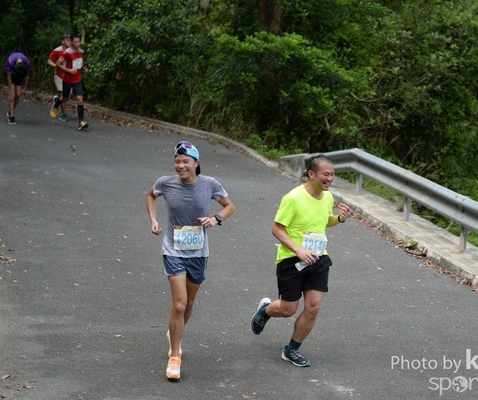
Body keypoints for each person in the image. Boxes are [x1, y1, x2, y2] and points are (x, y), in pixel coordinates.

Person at [250, 154, 351, 367]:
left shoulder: (328, 197)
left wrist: (340, 218)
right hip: (291, 259)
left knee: (313, 307)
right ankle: (266, 310)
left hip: (319, 257)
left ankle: (292, 349)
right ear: (312, 174)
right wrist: (298, 250)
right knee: (288, 309)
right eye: (326, 174)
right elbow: (277, 229)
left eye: (332, 175)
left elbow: (324, 221)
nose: (330, 178)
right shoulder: (293, 198)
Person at [146, 141, 236, 380]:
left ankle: (174, 332)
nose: (181, 166)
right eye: (177, 162)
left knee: (189, 302)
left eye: (186, 161)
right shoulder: (165, 183)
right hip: (173, 250)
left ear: (196, 163)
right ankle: (175, 355)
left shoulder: (209, 184)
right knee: (179, 304)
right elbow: (151, 195)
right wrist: (153, 220)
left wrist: (216, 219)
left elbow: (229, 206)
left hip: (198, 252)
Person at [54, 34, 89, 130]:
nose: (78, 44)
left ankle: (81, 122)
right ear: (72, 43)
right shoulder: (66, 53)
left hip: (77, 80)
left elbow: (79, 62)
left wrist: (83, 68)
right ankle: (57, 103)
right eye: (76, 42)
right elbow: (57, 64)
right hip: (67, 80)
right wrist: (69, 70)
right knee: (65, 98)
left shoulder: (81, 51)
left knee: (80, 99)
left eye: (79, 42)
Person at [47, 33, 72, 121]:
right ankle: (64, 115)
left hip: (69, 76)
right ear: (62, 42)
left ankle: (57, 101)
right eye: (67, 40)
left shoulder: (73, 51)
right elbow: (49, 60)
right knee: (63, 94)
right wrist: (55, 66)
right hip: (59, 75)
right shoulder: (57, 50)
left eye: (70, 40)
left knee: (67, 97)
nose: (69, 42)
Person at [3, 52, 31, 126]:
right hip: (10, 74)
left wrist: (24, 88)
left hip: (19, 74)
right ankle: (11, 116)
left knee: (18, 94)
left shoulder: (27, 63)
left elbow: (27, 76)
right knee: (12, 96)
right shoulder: (10, 62)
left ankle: (10, 111)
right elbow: (8, 77)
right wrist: (11, 89)